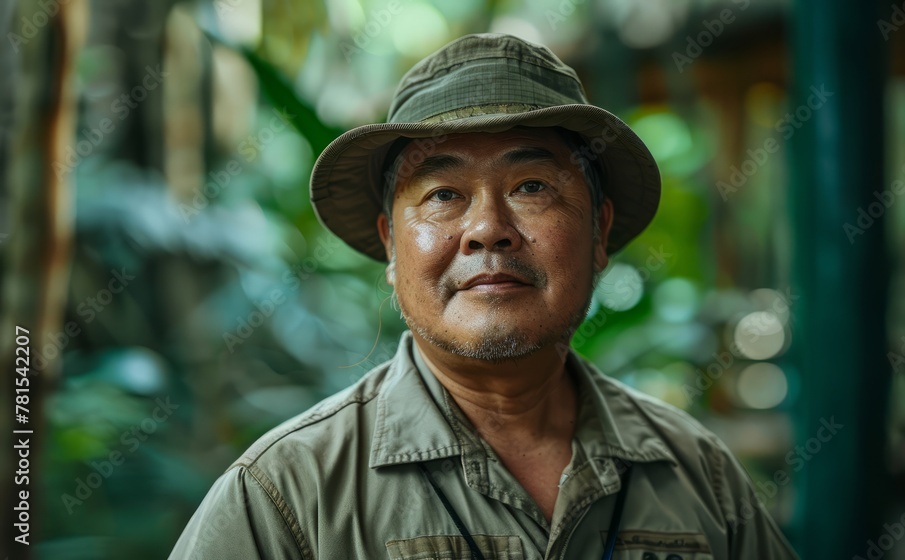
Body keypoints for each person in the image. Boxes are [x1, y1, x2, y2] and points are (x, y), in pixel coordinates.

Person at [169, 33, 799, 559]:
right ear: (392, 245)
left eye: (530, 185)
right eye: (443, 195)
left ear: (599, 233)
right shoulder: (287, 495)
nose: (486, 228)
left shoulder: (699, 477)